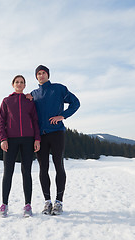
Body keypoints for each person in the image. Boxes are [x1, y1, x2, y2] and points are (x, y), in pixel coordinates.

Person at [29, 65, 80, 215]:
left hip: (57, 133)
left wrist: (62, 115)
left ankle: (59, 202)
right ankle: (47, 202)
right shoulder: (34, 94)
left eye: (44, 73)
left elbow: (75, 103)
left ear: (48, 75)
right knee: (43, 168)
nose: (41, 75)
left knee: (59, 165)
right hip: (41, 136)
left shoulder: (59, 89)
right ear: (36, 77)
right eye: (38, 73)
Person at [0, 75, 41, 218]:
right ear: (13, 84)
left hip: (28, 140)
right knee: (8, 172)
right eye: (17, 82)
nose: (19, 84)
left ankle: (27, 205)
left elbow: (35, 121)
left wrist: (37, 139)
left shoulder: (29, 101)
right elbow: (1, 121)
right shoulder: (6, 101)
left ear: (25, 85)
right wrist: (3, 139)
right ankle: (4, 205)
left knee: (26, 172)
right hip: (11, 140)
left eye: (22, 82)